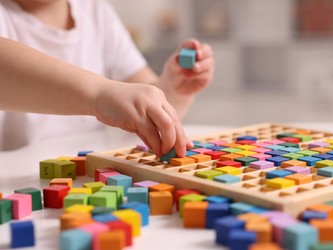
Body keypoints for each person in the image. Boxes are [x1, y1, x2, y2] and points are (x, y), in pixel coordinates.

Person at [0, 0, 215, 157]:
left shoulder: (96, 11)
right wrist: (100, 93)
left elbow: (142, 100)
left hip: (91, 172)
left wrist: (172, 88)